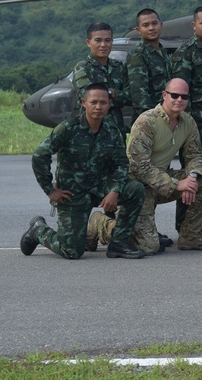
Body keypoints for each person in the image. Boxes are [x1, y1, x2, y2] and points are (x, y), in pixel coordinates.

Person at [20, 83, 145, 260]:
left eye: (103, 102)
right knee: (71, 251)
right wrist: (50, 190)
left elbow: (121, 164)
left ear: (109, 104)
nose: (98, 107)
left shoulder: (112, 130)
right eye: (93, 102)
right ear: (83, 102)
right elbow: (40, 155)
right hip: (73, 193)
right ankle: (38, 231)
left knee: (135, 189)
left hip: (101, 187)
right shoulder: (68, 128)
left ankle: (119, 242)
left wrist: (114, 191)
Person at [126, 78, 202, 254]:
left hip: (162, 181)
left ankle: (191, 237)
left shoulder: (188, 122)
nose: (179, 100)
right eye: (174, 95)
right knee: (149, 247)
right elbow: (139, 167)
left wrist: (191, 179)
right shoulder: (147, 121)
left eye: (184, 97)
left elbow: (195, 156)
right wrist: (177, 184)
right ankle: (101, 225)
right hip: (137, 188)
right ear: (164, 95)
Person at [71, 22, 129, 134]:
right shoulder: (83, 68)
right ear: (89, 42)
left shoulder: (119, 67)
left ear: (112, 42)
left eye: (107, 40)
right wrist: (113, 93)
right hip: (91, 131)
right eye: (98, 40)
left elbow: (130, 97)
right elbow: (86, 95)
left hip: (116, 130)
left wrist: (109, 92)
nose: (103, 45)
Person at [126, 8, 170, 115]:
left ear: (161, 25)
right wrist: (150, 118)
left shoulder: (162, 51)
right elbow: (139, 94)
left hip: (167, 113)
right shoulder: (138, 54)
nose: (151, 28)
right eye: (146, 25)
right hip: (151, 118)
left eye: (154, 23)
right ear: (138, 30)